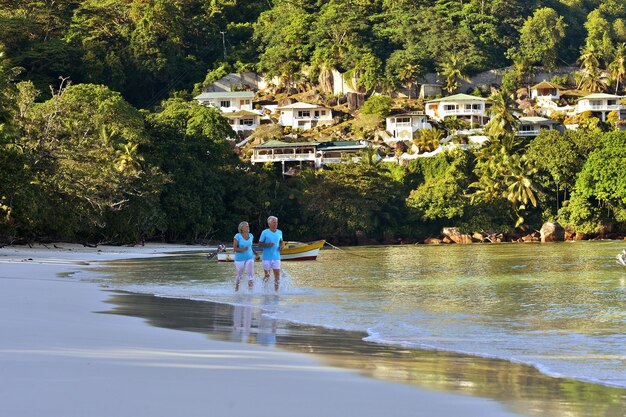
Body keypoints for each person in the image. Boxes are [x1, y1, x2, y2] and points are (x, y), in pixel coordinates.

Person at [258, 215, 284, 291]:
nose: (276, 223)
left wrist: (282, 246)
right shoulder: (265, 232)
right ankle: (263, 290)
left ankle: (276, 292)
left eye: (277, 222)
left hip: (276, 257)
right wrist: (267, 245)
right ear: (269, 224)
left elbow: (282, 242)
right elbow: (259, 244)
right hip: (266, 258)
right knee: (267, 276)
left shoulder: (280, 232)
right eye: (274, 222)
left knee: (277, 276)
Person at [233, 221, 255, 291]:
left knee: (250, 275)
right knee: (240, 275)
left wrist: (255, 253)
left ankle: (250, 291)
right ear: (241, 228)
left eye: (248, 226)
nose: (248, 227)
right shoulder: (237, 236)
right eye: (246, 226)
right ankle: (236, 289)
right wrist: (242, 249)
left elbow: (250, 247)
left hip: (250, 257)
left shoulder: (251, 235)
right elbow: (235, 248)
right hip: (240, 259)